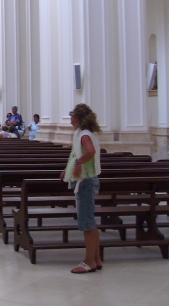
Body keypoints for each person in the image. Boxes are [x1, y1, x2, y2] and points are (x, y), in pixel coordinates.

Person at [61, 103, 102, 274]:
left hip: (85, 182)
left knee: (87, 223)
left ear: (77, 118)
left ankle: (89, 261)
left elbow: (89, 152)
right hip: (87, 181)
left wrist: (78, 163)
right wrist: (67, 169)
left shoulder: (84, 135)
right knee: (90, 222)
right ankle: (97, 259)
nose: (70, 120)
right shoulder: (83, 133)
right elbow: (75, 154)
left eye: (71, 116)